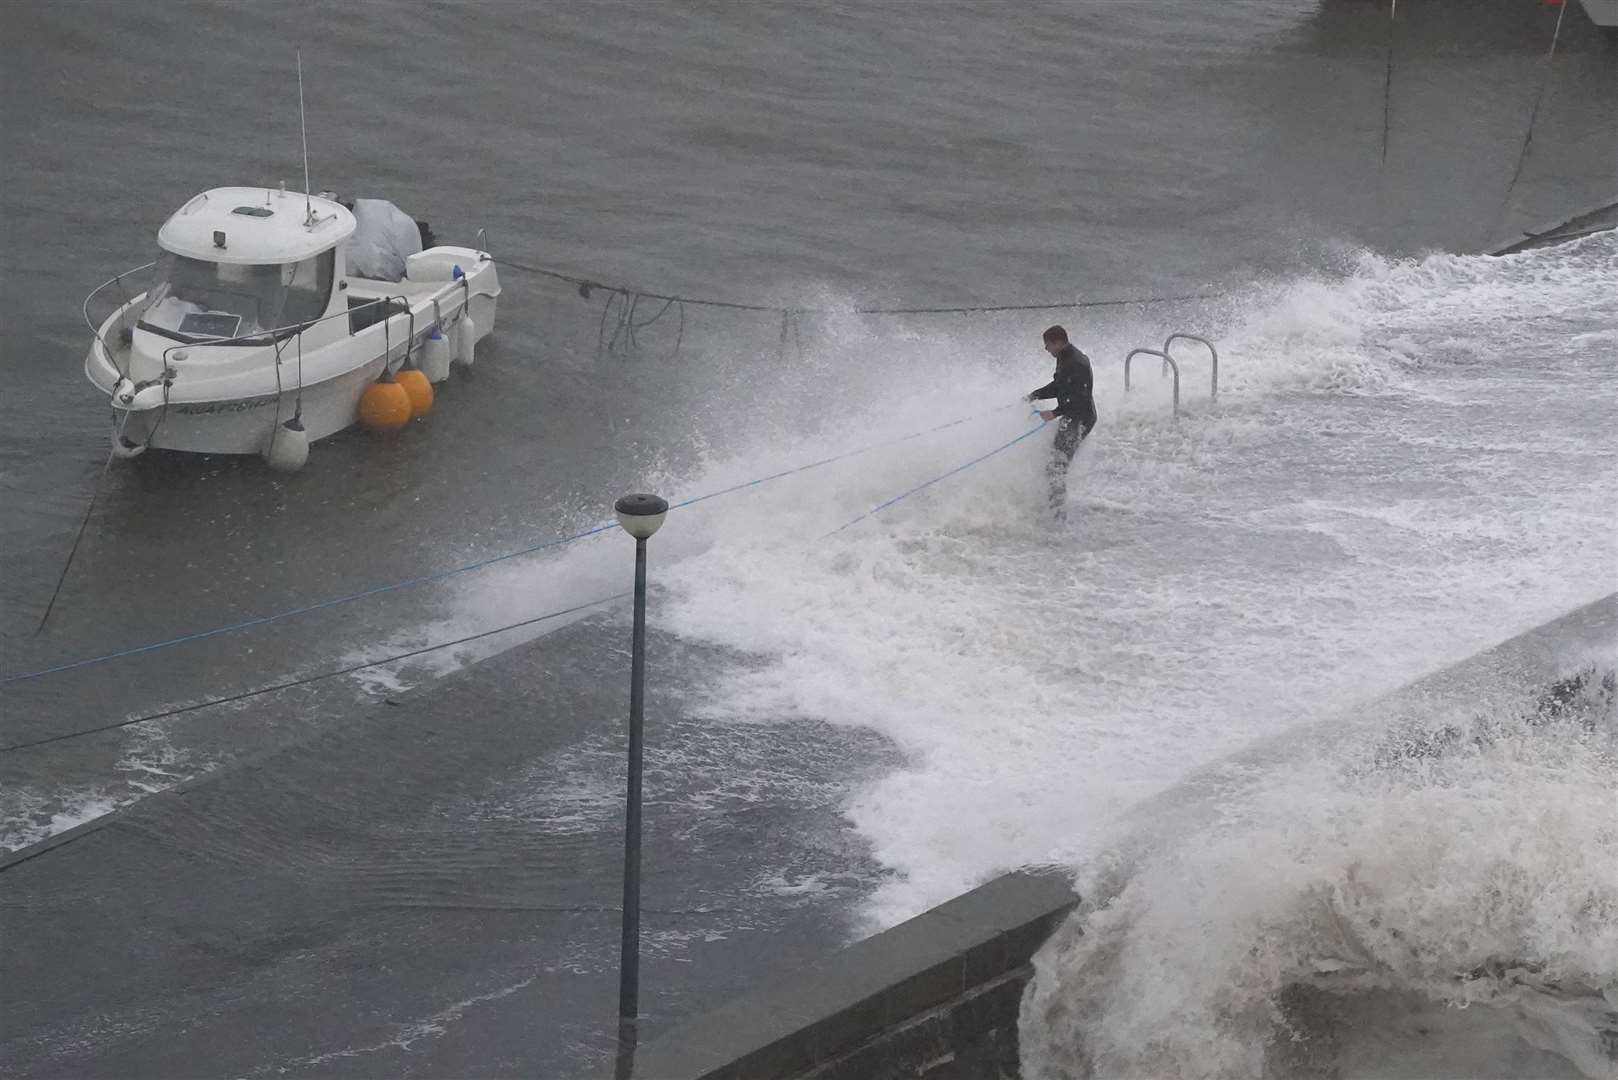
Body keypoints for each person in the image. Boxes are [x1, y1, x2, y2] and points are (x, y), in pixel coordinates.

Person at [1026, 325, 1097, 522]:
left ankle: (1058, 516)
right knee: (1054, 464)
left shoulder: (1077, 362)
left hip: (1081, 419)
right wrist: (1034, 395)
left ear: (1058, 342)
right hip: (1072, 416)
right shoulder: (1064, 357)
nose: (1046, 349)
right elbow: (1059, 386)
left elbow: (1080, 399)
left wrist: (1055, 412)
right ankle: (1055, 509)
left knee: (1056, 466)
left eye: (1047, 345)